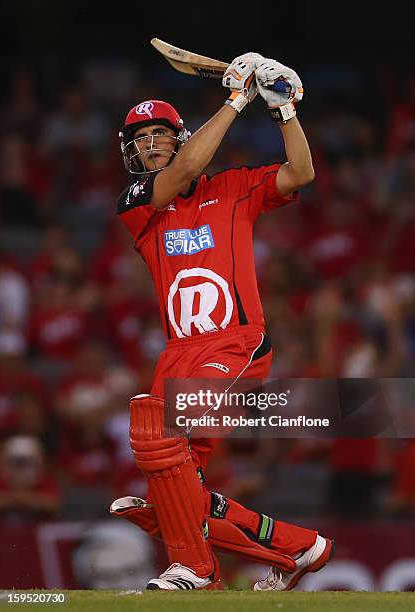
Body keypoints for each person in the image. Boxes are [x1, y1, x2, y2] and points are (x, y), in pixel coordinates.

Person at [110, 53, 334, 591]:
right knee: (173, 474)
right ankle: (299, 547)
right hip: (180, 351)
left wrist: (283, 112)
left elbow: (301, 172)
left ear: (182, 136)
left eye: (159, 134)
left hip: (235, 345)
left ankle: (195, 567)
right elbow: (184, 171)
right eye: (139, 140)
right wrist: (236, 100)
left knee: (162, 454)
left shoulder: (234, 187)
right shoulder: (137, 204)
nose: (149, 145)